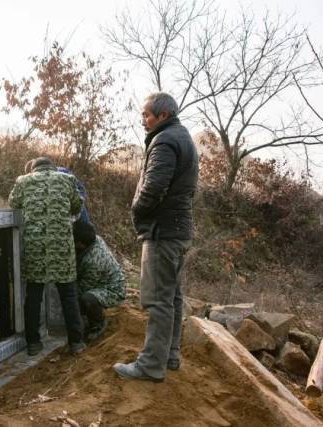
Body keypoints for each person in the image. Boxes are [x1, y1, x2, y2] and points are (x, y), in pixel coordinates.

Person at [113, 92, 199, 382]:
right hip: (178, 230)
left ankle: (150, 365)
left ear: (163, 115)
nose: (143, 121)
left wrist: (137, 209)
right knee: (172, 298)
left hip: (163, 233)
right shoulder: (182, 137)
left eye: (146, 115)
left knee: (158, 301)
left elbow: (153, 187)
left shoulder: (164, 140)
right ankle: (169, 356)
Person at [9, 157, 86, 356]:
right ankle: (76, 342)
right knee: (68, 295)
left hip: (36, 246)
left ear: (33, 169)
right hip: (62, 248)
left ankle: (33, 343)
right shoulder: (67, 179)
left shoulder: (23, 181)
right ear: (52, 166)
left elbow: (13, 202)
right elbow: (77, 207)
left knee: (33, 295)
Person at [73, 221, 125, 341]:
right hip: (103, 281)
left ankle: (98, 324)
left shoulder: (94, 261)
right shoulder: (94, 239)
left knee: (87, 299)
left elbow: (83, 288)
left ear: (80, 244)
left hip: (113, 289)